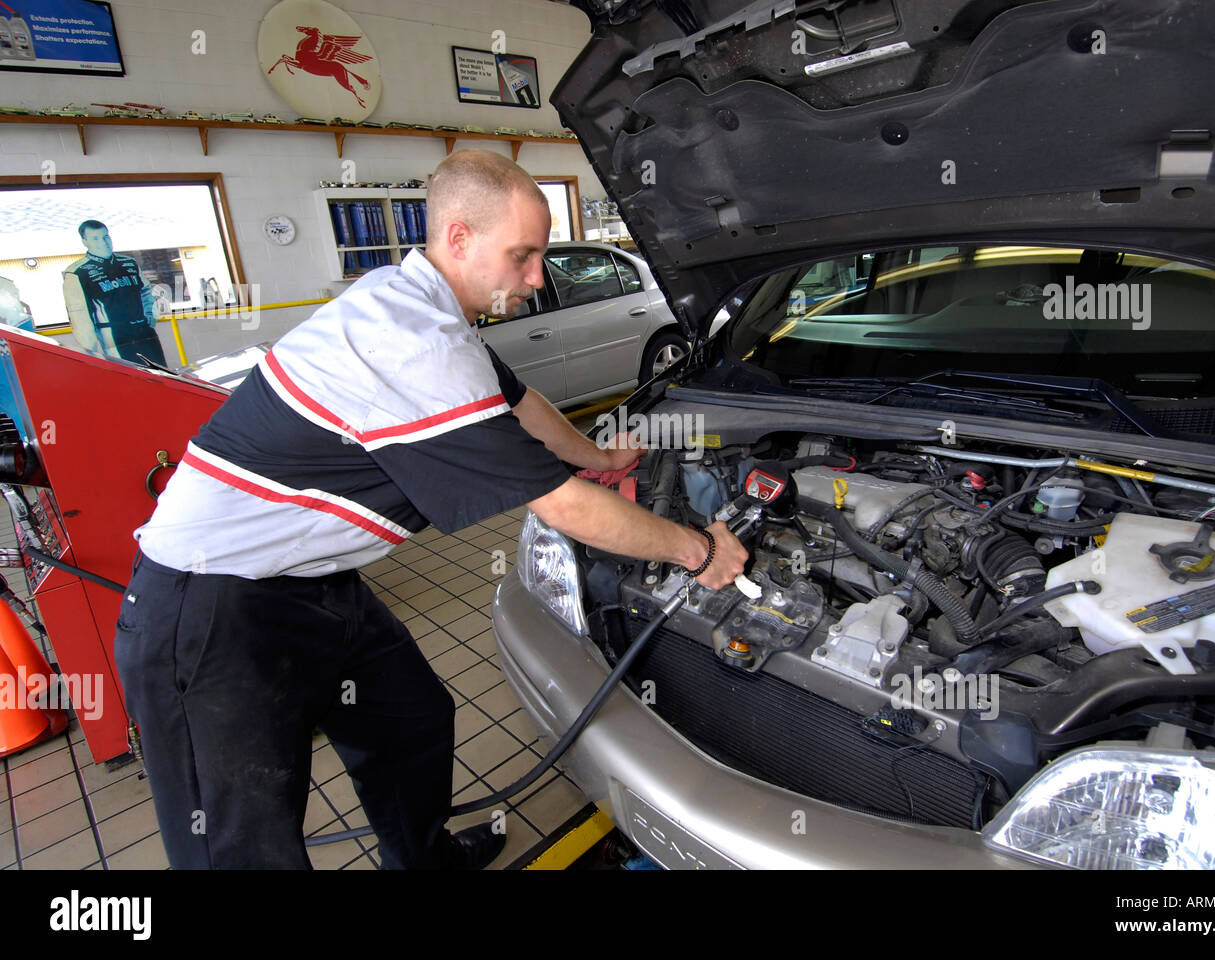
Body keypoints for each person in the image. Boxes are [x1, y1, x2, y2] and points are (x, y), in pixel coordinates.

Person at [113, 149, 747, 870]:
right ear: (458, 239)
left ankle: (422, 861)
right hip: (210, 609)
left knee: (409, 719)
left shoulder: (420, 303)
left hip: (315, 584)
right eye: (524, 255)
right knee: (242, 842)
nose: (538, 278)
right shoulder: (415, 342)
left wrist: (599, 458)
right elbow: (567, 509)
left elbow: (521, 404)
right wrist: (699, 551)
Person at [62, 220, 167, 367]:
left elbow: (145, 290)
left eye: (106, 236)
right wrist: (89, 350)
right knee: (132, 377)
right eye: (95, 238)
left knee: (163, 374)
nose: (104, 242)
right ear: (85, 241)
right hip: (114, 336)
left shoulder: (129, 263)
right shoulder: (77, 273)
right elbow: (79, 315)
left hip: (144, 331)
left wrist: (151, 314)